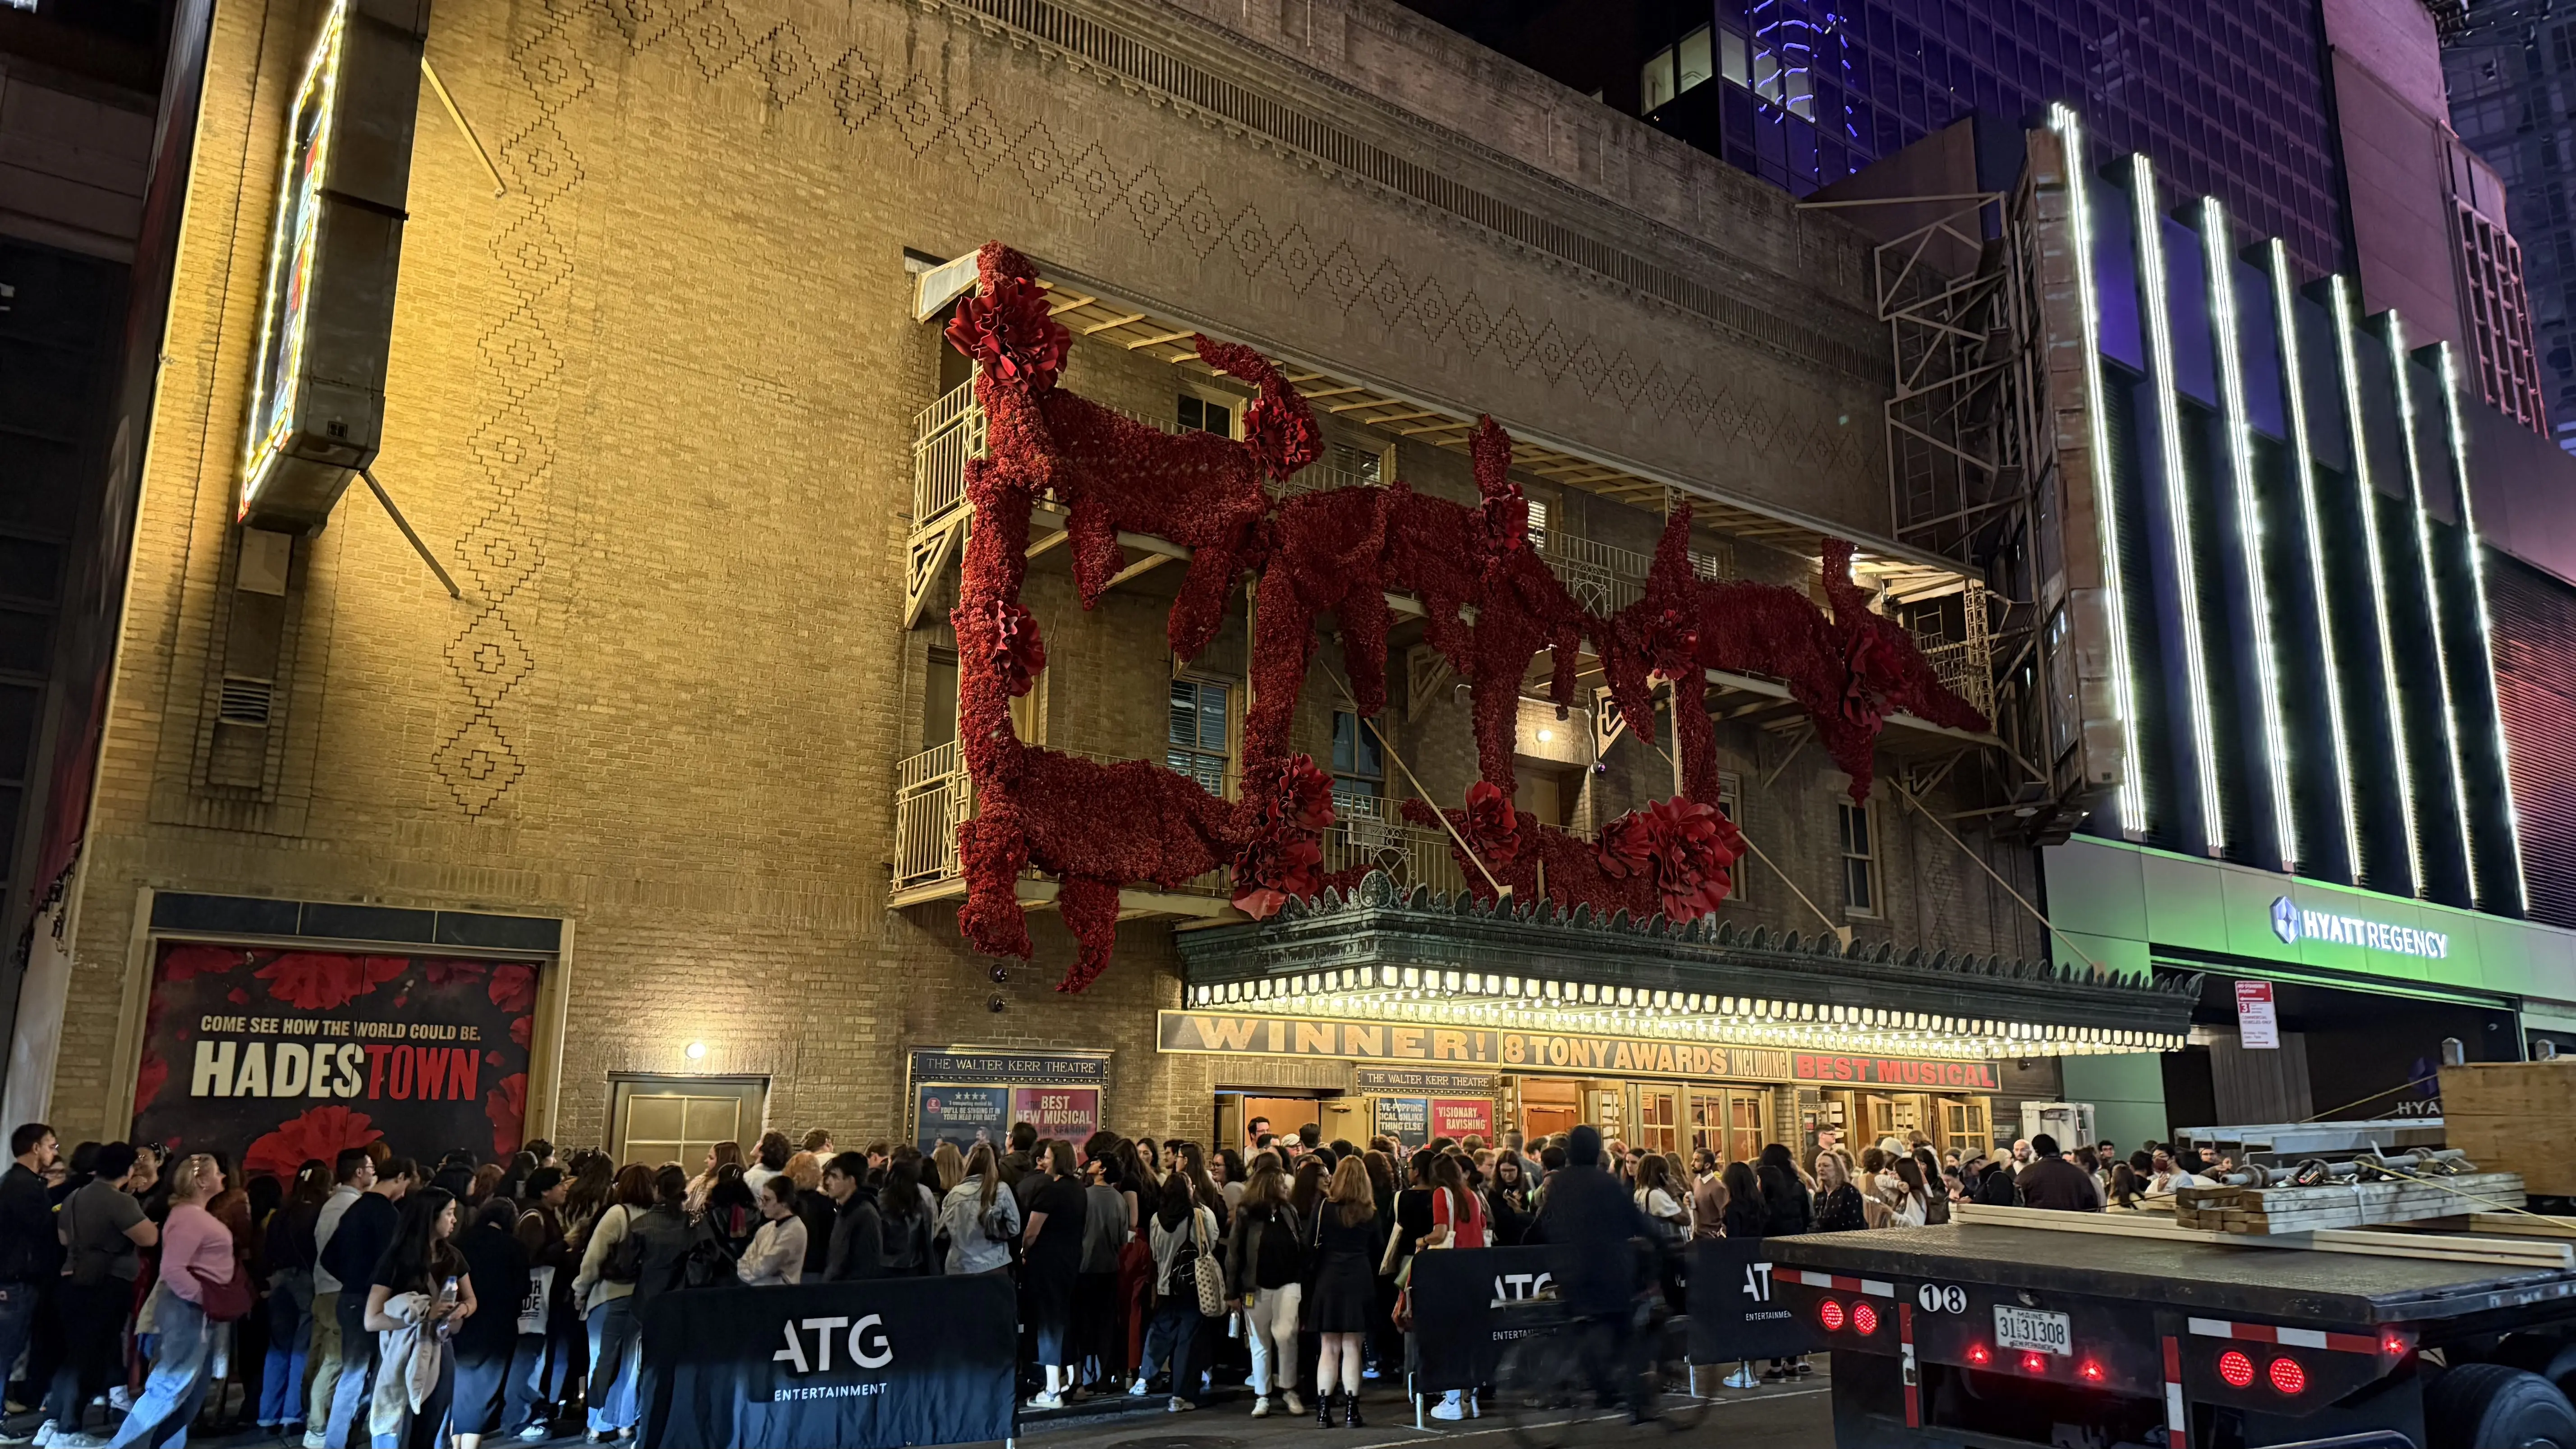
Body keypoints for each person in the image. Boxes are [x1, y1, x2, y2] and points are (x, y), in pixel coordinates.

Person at [1521, 1127, 1660, 1411]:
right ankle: (1635, 1399)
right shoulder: (1604, 1182)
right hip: (1608, 1270)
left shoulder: (1559, 1183)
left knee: (1582, 1329)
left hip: (1569, 1269)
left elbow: (1545, 1222)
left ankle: (1601, 1388)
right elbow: (1635, 1220)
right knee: (1624, 1331)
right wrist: (1661, 1244)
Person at [97, 1154, 228, 1449]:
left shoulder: (192, 1215)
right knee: (169, 1386)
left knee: (187, 1392)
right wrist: (208, 1296)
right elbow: (174, 1270)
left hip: (195, 1312)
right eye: (218, 1172)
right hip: (188, 1312)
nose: (224, 1177)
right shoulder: (189, 1217)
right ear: (201, 1181)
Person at [363, 1187, 474, 1449]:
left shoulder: (452, 1256)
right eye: (449, 1214)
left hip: (441, 1348)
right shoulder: (397, 1259)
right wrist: (423, 1316)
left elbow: (471, 1300)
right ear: (430, 1218)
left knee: (433, 1421)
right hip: (400, 1350)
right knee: (397, 1422)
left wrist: (462, 1310)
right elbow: (372, 1320)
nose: (454, 1220)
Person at [322, 1158, 417, 1449]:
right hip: (369, 1302)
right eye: (408, 1182)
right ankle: (338, 1442)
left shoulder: (356, 1209)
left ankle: (341, 1440)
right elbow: (393, 1262)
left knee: (354, 1372)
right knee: (358, 1374)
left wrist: (352, 1279)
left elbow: (328, 1257)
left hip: (348, 1297)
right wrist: (373, 1285)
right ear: (401, 1177)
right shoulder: (386, 1215)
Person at [570, 1165, 656, 1443]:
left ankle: (596, 1425)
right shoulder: (656, 1218)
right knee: (632, 1365)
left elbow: (593, 1259)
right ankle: (625, 1423)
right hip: (642, 1301)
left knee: (601, 1361)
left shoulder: (618, 1214)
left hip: (609, 1298)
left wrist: (579, 1291)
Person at [300, 1148, 377, 1448]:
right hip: (338, 1292)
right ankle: (318, 1426)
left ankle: (312, 1417)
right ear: (359, 1172)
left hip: (323, 1289)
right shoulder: (352, 1207)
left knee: (320, 1357)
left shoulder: (331, 1204)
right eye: (370, 1167)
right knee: (335, 1361)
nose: (374, 1172)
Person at [1302, 1157, 1381, 1427]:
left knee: (1328, 1348)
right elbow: (1379, 1250)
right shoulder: (1370, 1211)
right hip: (1359, 1279)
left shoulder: (1324, 1207)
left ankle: (1323, 1412)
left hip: (1328, 1279)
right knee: (1353, 1348)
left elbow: (1308, 1244)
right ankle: (1352, 1410)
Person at [255, 1159, 331, 1435]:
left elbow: (267, 1251)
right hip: (308, 1282)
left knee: (277, 1349)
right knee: (302, 1349)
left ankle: (267, 1417)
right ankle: (292, 1416)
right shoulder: (321, 1213)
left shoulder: (280, 1214)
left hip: (278, 1282)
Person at [1224, 1160, 1304, 1418]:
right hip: (1255, 1285)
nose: (1286, 1186)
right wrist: (1231, 1292)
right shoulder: (1247, 1213)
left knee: (1287, 1336)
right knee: (1260, 1342)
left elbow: (1299, 1244)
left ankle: (1289, 1389)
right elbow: (1234, 1254)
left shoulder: (1288, 1211)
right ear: (1270, 1185)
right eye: (1281, 1182)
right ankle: (1263, 1396)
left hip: (1289, 1281)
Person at [1136, 1174, 1219, 1413]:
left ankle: (1145, 1378)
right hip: (1194, 1286)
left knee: (1160, 1331)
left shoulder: (1155, 1219)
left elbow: (1154, 1252)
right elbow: (1209, 1245)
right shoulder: (1199, 1216)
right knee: (1188, 1340)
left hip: (1165, 1285)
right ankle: (1181, 1394)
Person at [451, 1199, 529, 1449]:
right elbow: (523, 1288)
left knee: (459, 1386)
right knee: (486, 1391)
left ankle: (454, 1443)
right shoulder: (514, 1246)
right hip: (499, 1325)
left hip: (462, 1321)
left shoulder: (463, 1241)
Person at [0, 1124, 60, 1429]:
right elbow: (39, 1231)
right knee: (4, 1355)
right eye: (52, 1145)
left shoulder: (21, 1183)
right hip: (15, 1282)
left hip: (18, 1280)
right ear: (36, 1148)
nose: (55, 1151)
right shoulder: (22, 1186)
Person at [1022, 1142, 1087, 1408]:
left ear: (1057, 1160)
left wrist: (1024, 1251)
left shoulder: (1051, 1189)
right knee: (1067, 1319)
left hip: (1047, 1263)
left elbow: (1032, 1231)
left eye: (1047, 1158)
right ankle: (1074, 1383)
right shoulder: (1079, 1189)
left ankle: (1051, 1391)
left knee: (1049, 1324)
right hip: (1071, 1261)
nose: (1042, 1162)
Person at [938, 1142, 1019, 1277]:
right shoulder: (1001, 1190)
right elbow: (1014, 1228)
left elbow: (942, 1232)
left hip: (960, 1266)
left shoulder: (954, 1194)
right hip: (993, 1264)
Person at [819, 1153, 885, 1281]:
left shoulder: (865, 1215)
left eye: (834, 1177)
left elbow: (866, 1266)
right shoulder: (845, 1210)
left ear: (851, 1181)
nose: (828, 1182)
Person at [736, 1175, 807, 1286]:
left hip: (782, 1295)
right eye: (762, 1199)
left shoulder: (795, 1230)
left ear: (784, 1202)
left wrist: (753, 1266)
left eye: (768, 1200)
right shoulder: (766, 1229)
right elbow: (743, 1263)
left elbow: (766, 1266)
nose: (762, 1204)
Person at [874, 1159, 938, 1276]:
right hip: (911, 1267)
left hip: (884, 1268)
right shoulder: (919, 1203)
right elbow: (926, 1243)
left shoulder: (878, 1202)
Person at [2016, 1134, 2103, 1212]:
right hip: (2073, 1225)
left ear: (2037, 1151)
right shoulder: (2079, 1174)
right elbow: (2092, 1205)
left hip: (2039, 1225)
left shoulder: (2028, 1173)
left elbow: (2017, 1202)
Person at [1812, 1152, 1866, 1231]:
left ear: (1837, 1169)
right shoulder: (1819, 1195)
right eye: (1819, 1166)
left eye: (1826, 1166)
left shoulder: (1849, 1192)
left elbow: (1856, 1225)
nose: (1821, 1169)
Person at [683, 1142, 741, 1215]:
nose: (706, 1161)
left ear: (722, 1162)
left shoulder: (712, 1187)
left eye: (711, 1158)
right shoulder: (700, 1181)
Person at [1486, 1154, 1532, 1246]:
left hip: (1526, 1238)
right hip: (1503, 1241)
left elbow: (1535, 1213)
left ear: (1518, 1169)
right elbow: (1498, 1217)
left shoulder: (1528, 1184)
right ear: (1499, 1171)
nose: (1508, 1175)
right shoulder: (1493, 1190)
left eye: (1512, 1170)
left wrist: (1519, 1209)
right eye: (1504, 1171)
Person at [742, 1132, 793, 1202]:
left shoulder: (750, 1178)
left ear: (762, 1151)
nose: (757, 1143)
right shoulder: (785, 1178)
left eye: (760, 1141)